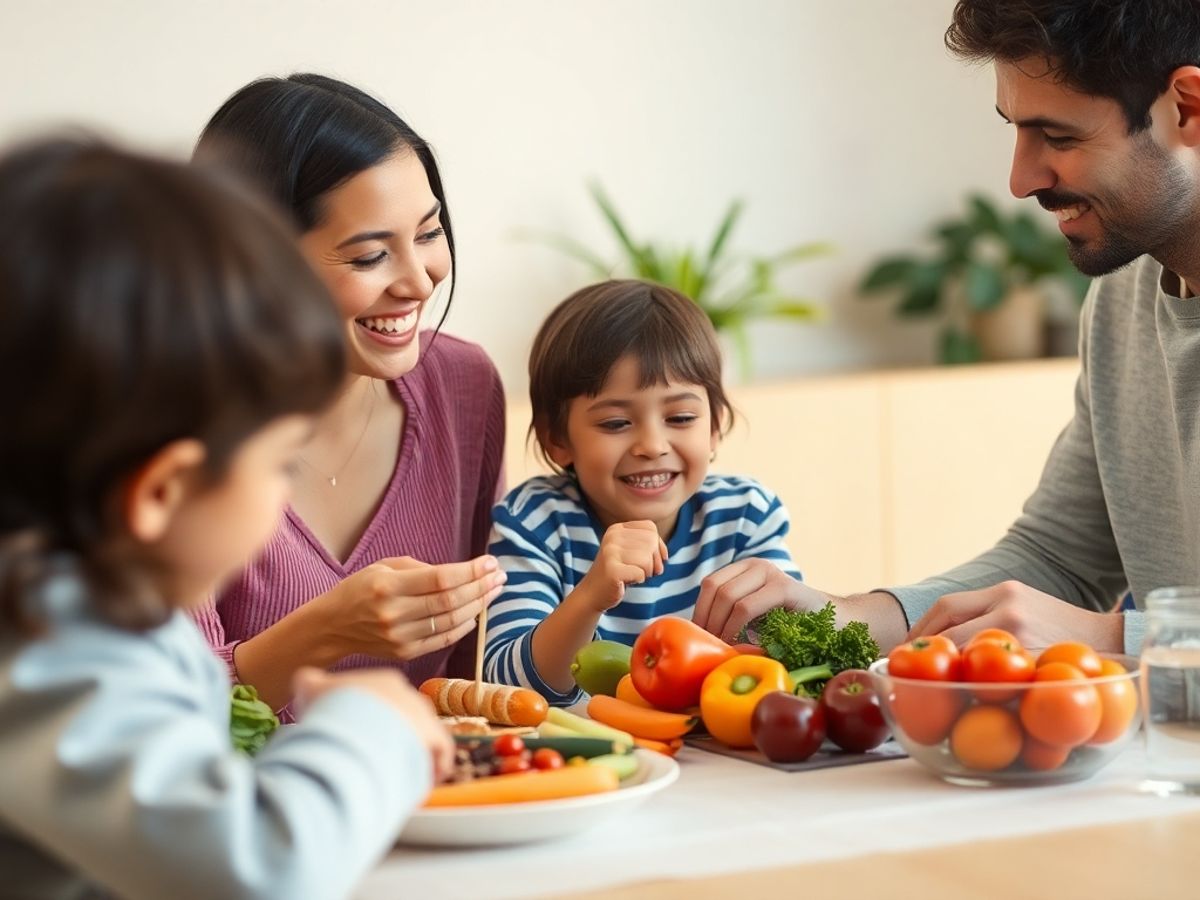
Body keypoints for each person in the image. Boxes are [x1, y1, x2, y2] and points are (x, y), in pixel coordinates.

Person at [0, 138, 454, 899]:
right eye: (279, 462)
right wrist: (368, 726)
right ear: (162, 492)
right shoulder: (48, 646)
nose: (284, 497)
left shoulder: (100, 611)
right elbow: (258, 867)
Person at [693, 0, 1200, 657]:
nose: (1021, 180)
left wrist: (1112, 638)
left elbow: (1086, 622)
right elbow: (1057, 557)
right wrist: (847, 616)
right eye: (1016, 131)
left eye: (1061, 137)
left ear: (1187, 108)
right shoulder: (1120, 302)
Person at [191, 74, 508, 714]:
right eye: (369, 258)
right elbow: (155, 722)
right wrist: (326, 630)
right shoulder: (163, 433)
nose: (419, 282)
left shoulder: (464, 387)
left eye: (427, 234)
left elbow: (475, 676)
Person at [483, 280, 803, 702]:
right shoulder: (534, 522)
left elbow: (792, 654)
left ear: (714, 426)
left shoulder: (744, 516)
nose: (652, 445)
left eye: (682, 417)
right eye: (615, 423)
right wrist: (590, 597)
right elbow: (508, 686)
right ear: (556, 439)